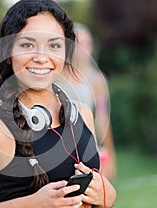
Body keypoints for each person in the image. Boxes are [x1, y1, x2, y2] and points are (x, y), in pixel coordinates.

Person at [0, 0, 116, 207]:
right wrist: (33, 204)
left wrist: (107, 195)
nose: (41, 57)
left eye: (54, 45)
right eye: (28, 45)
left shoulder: (81, 115)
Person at [61, 24, 116, 181]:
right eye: (78, 42)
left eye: (87, 43)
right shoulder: (55, 75)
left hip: (84, 147)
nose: (82, 47)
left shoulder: (97, 79)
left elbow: (102, 117)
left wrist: (110, 155)